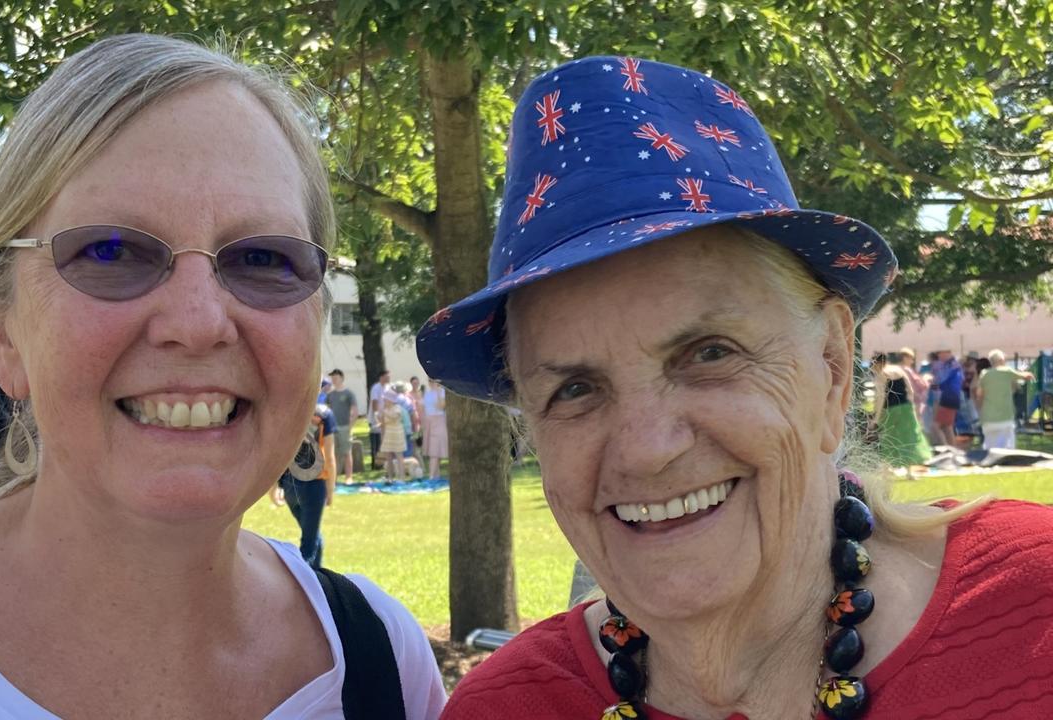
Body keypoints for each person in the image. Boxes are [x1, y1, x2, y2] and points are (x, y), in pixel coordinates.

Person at [0, 35, 445, 719]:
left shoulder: (382, 665)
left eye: (264, 259)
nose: (199, 321)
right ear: (1, 329)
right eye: (111, 250)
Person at [416, 57, 1053, 719]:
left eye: (708, 353)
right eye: (575, 389)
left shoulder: (1036, 606)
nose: (646, 449)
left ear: (832, 368)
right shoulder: (509, 707)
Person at [273, 405, 336, 568]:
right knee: (309, 542)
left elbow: (275, 453)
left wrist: (273, 488)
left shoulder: (285, 410)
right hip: (314, 483)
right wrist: (330, 489)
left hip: (289, 483)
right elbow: (329, 457)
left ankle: (318, 577)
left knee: (312, 536)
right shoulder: (325, 415)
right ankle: (307, 581)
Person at [869, 352, 932, 472]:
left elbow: (880, 397)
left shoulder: (881, 375)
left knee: (889, 439)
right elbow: (910, 390)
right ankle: (909, 472)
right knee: (908, 438)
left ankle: (887, 470)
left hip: (890, 411)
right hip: (906, 408)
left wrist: (876, 418)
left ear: (877, 363)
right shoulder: (899, 370)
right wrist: (912, 407)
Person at [976, 349, 1034, 450]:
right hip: (1005, 418)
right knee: (1008, 447)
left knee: (989, 447)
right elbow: (1025, 376)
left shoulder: (984, 374)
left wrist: (980, 412)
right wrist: (1029, 374)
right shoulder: (1007, 371)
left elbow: (979, 395)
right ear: (1002, 360)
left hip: (988, 418)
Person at [325, 368, 359, 482]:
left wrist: (350, 426)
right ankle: (333, 478)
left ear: (341, 378)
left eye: (336, 377)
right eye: (332, 378)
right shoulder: (330, 395)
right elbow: (326, 410)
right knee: (333, 454)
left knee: (346, 452)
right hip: (332, 428)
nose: (333, 380)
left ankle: (349, 477)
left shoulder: (348, 393)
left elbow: (355, 411)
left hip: (345, 427)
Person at [932, 350, 964, 447]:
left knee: (935, 427)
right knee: (947, 427)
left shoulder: (952, 366)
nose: (939, 355)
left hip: (948, 398)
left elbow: (947, 382)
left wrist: (936, 386)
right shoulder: (952, 365)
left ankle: (946, 449)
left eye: (940, 353)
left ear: (946, 353)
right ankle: (953, 450)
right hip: (951, 398)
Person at [378, 387, 410, 481]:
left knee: (399, 455)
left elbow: (394, 417)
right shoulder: (385, 409)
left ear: (390, 400)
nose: (384, 400)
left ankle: (401, 477)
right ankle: (390, 476)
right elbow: (383, 423)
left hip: (397, 433)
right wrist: (379, 418)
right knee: (388, 456)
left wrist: (384, 413)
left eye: (385, 399)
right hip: (388, 433)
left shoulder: (397, 408)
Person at [420, 378, 449, 480]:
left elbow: (441, 406)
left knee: (436, 449)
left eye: (434, 381)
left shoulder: (442, 392)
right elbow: (422, 409)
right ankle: (435, 474)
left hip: (439, 421)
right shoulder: (426, 394)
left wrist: (437, 391)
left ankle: (433, 475)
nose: (431, 383)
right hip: (429, 422)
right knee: (432, 450)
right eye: (430, 381)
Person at [897, 347, 929, 428]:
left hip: (903, 400)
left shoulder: (898, 369)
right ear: (904, 358)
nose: (912, 361)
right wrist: (926, 379)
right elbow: (916, 385)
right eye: (911, 359)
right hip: (914, 400)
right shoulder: (907, 370)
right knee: (916, 423)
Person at [368, 369, 390, 470]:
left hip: (385, 420)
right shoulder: (376, 388)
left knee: (383, 442)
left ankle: (382, 463)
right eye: (387, 376)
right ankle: (375, 465)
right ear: (382, 377)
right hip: (375, 419)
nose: (388, 378)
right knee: (375, 441)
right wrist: (376, 416)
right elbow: (374, 402)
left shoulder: (387, 388)